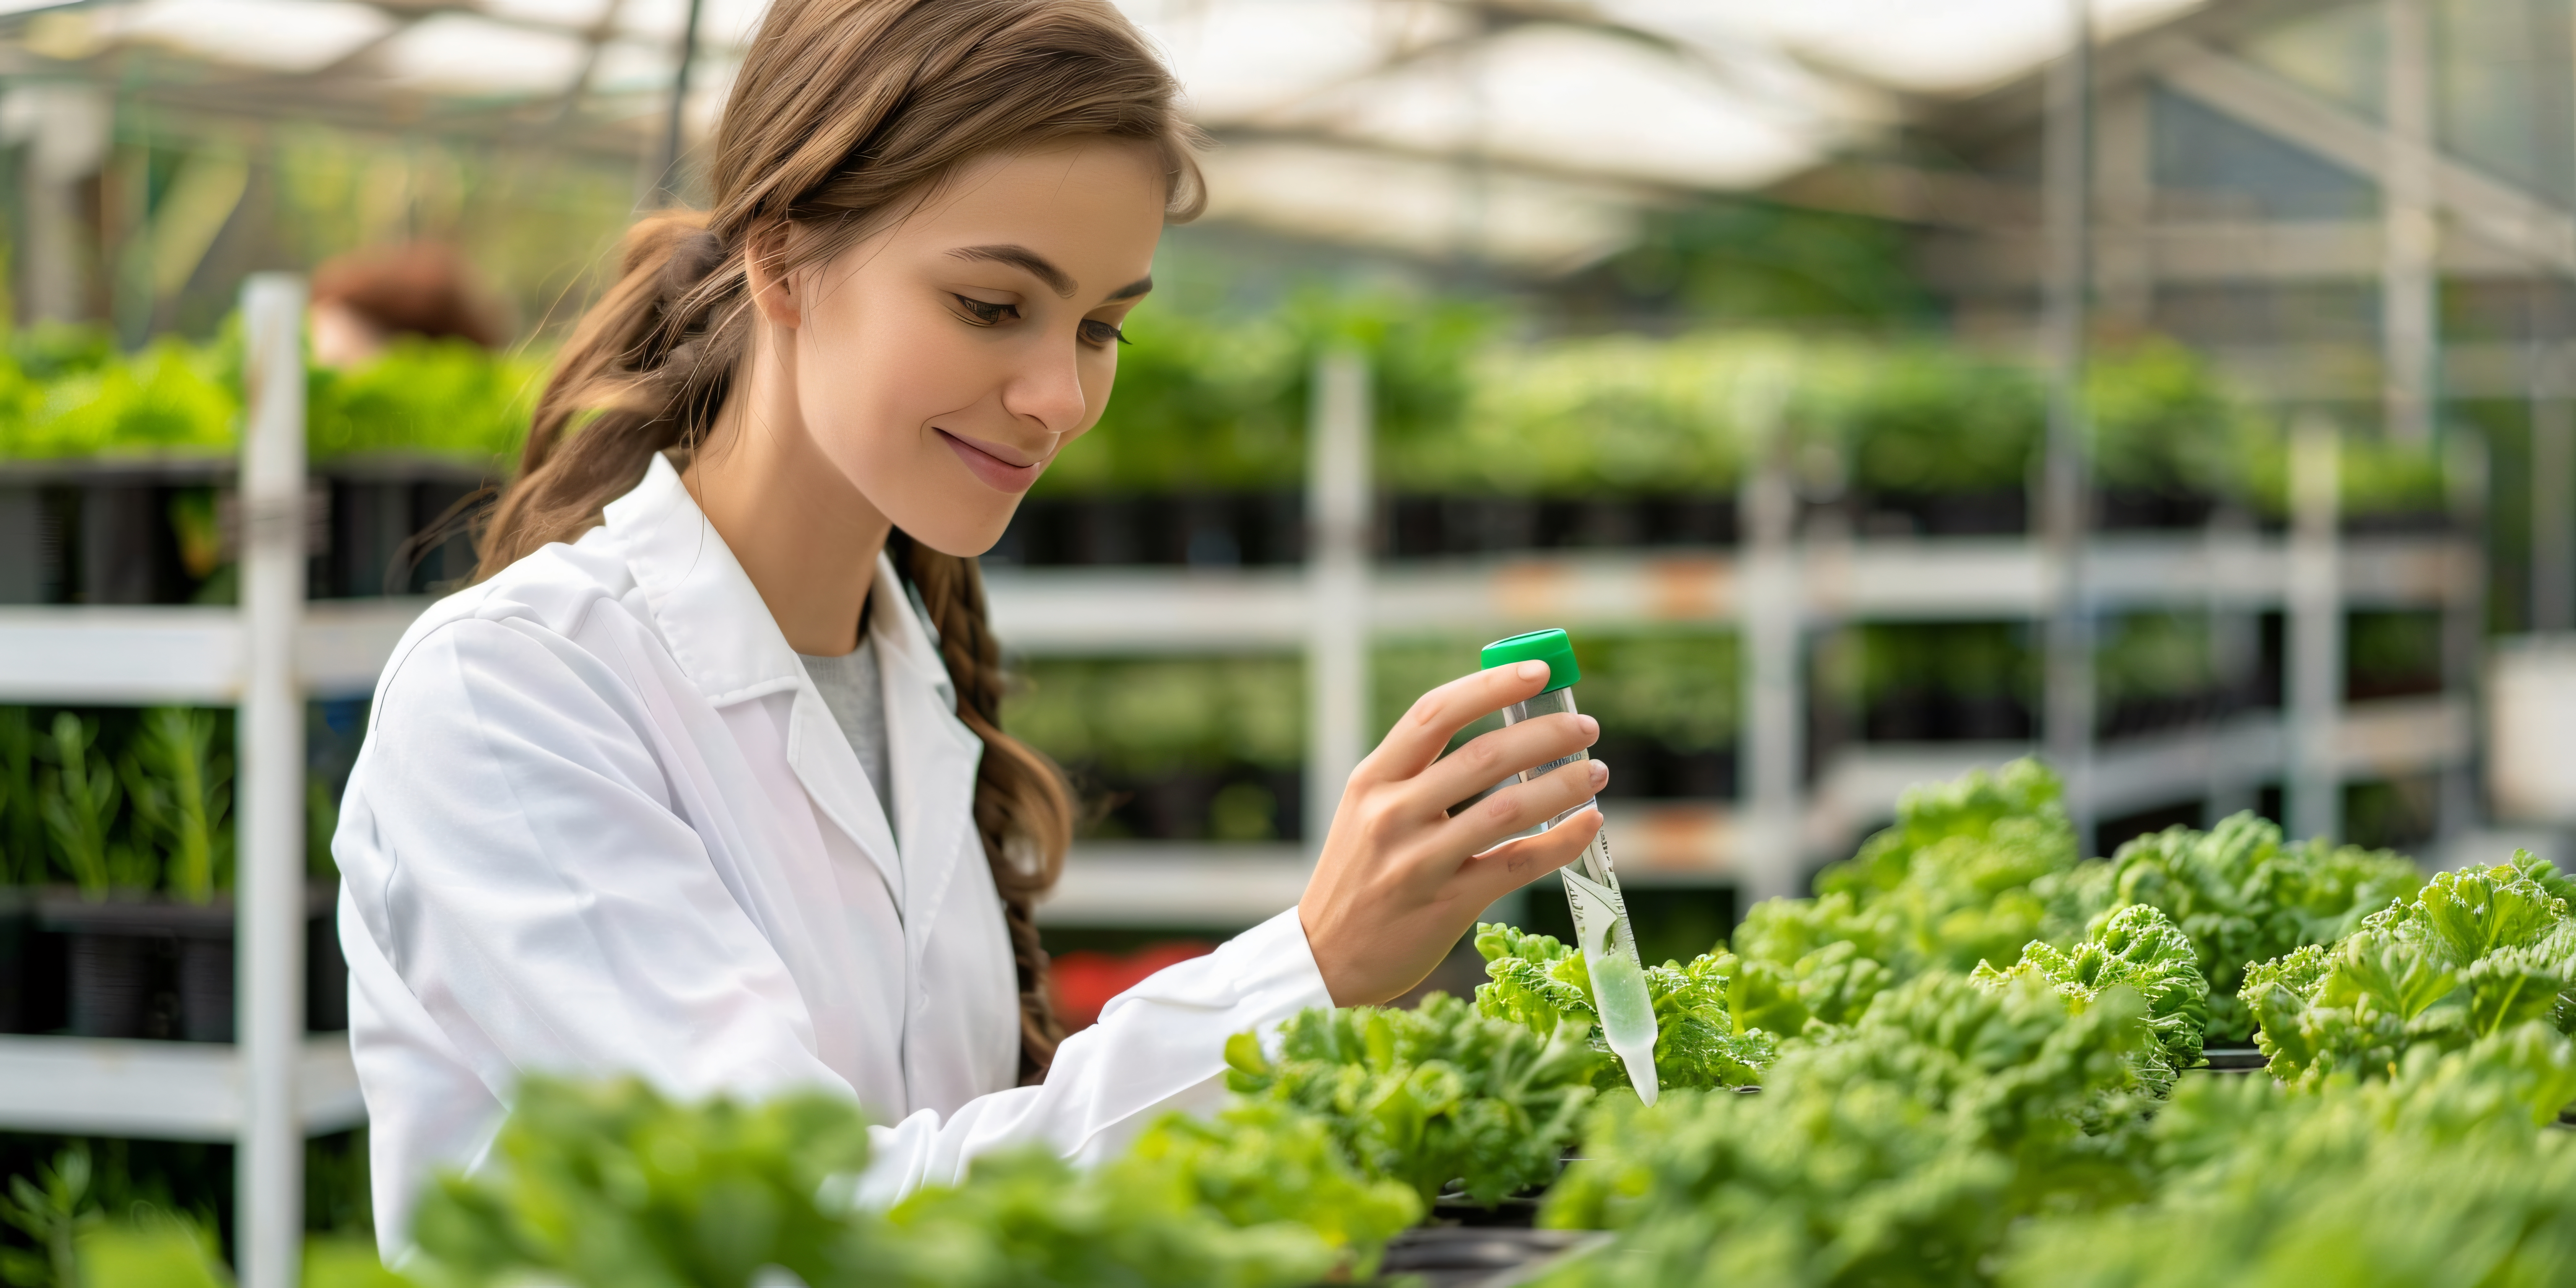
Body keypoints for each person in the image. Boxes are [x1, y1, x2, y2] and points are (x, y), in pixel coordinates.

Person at [333, 0, 1607, 1254]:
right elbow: (795, 1231)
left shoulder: (910, 682)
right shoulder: (514, 700)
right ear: (782, 256)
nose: (1059, 396)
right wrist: (1304, 971)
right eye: (994, 307)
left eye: (1101, 325)